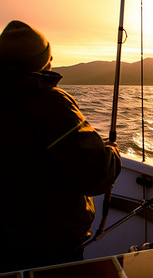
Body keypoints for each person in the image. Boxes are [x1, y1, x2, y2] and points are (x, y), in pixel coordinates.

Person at [0, 20, 122, 273]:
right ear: (42, 62)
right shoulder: (49, 103)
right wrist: (112, 154)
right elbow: (93, 176)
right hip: (48, 247)